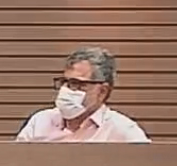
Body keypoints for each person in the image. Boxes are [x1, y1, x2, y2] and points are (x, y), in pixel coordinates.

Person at [15, 46, 150, 143]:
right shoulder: (40, 121)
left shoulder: (123, 131)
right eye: (65, 82)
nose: (66, 90)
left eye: (76, 84)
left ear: (102, 91)